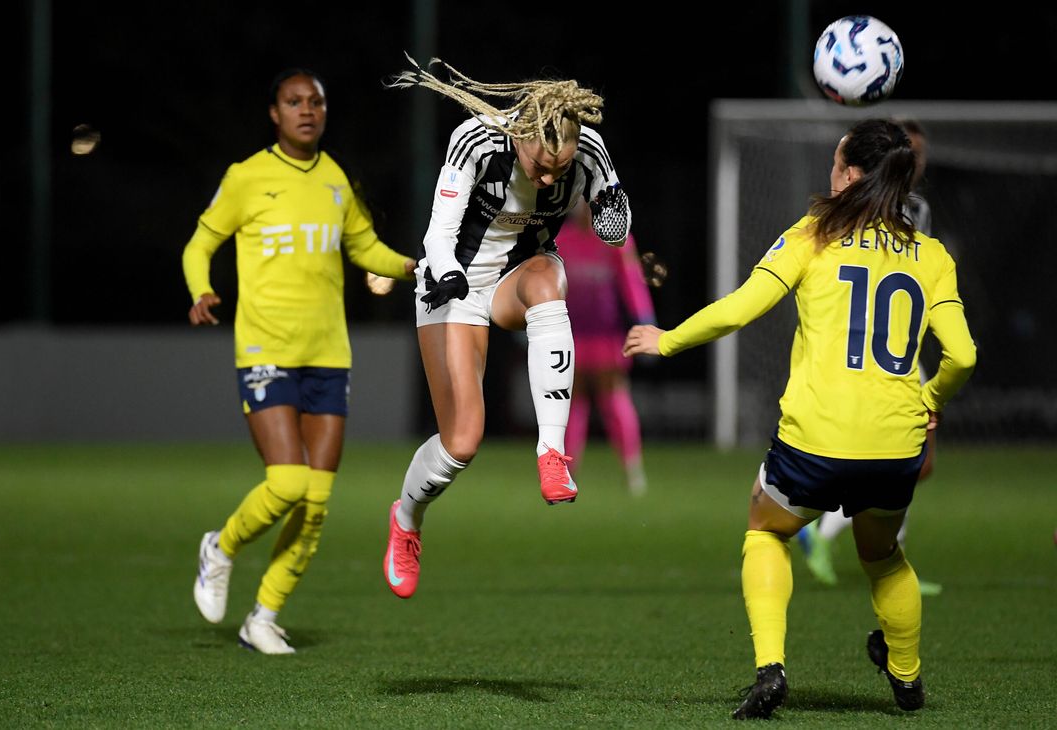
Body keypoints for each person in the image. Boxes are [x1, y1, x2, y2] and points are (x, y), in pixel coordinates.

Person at [624, 119, 976, 719]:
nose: (830, 172)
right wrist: (931, 399)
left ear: (854, 176)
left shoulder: (813, 235)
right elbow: (963, 355)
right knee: (883, 555)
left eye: (837, 162)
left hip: (814, 436)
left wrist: (669, 340)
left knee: (766, 530)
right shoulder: (931, 255)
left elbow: (740, 308)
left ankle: (770, 671)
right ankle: (908, 680)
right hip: (895, 441)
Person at [380, 56, 632, 599]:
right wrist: (445, 275)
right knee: (462, 442)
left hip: (522, 273)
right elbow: (440, 235)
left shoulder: (585, 149)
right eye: (540, 166)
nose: (547, 178)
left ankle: (551, 453)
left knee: (547, 283)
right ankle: (405, 518)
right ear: (519, 135)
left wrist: (614, 206)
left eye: (558, 172)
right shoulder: (476, 141)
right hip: (457, 280)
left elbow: (613, 231)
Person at [183, 68, 416, 653]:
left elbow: (365, 249)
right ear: (274, 113)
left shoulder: (336, 180)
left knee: (315, 504)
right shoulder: (246, 177)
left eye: (315, 101)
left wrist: (417, 268)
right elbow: (200, 244)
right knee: (286, 482)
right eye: (294, 101)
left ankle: (263, 616)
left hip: (328, 355)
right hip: (265, 348)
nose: (306, 110)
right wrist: (200, 289)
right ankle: (222, 547)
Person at [797, 118, 942, 596]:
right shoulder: (902, 214)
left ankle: (873, 549)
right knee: (903, 458)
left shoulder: (913, 209)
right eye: (908, 153)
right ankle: (847, 541)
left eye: (918, 153)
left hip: (897, 346)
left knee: (911, 461)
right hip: (885, 354)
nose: (914, 162)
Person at [556, 198, 656, 495]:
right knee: (572, 405)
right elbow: (550, 284)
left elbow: (632, 283)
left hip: (607, 338)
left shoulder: (617, 241)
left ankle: (632, 470)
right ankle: (566, 474)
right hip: (571, 337)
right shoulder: (561, 240)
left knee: (614, 400)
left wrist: (643, 322)